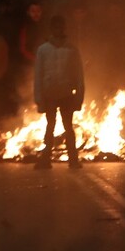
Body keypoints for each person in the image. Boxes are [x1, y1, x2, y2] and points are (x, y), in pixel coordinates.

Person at [34, 15, 84, 169]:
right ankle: (46, 158)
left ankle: (73, 159)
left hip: (67, 94)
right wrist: (38, 98)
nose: (58, 30)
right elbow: (38, 75)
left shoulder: (72, 49)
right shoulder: (43, 50)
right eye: (56, 27)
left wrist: (79, 98)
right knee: (50, 126)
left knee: (68, 126)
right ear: (52, 29)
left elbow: (79, 75)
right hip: (49, 94)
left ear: (63, 28)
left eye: (60, 27)